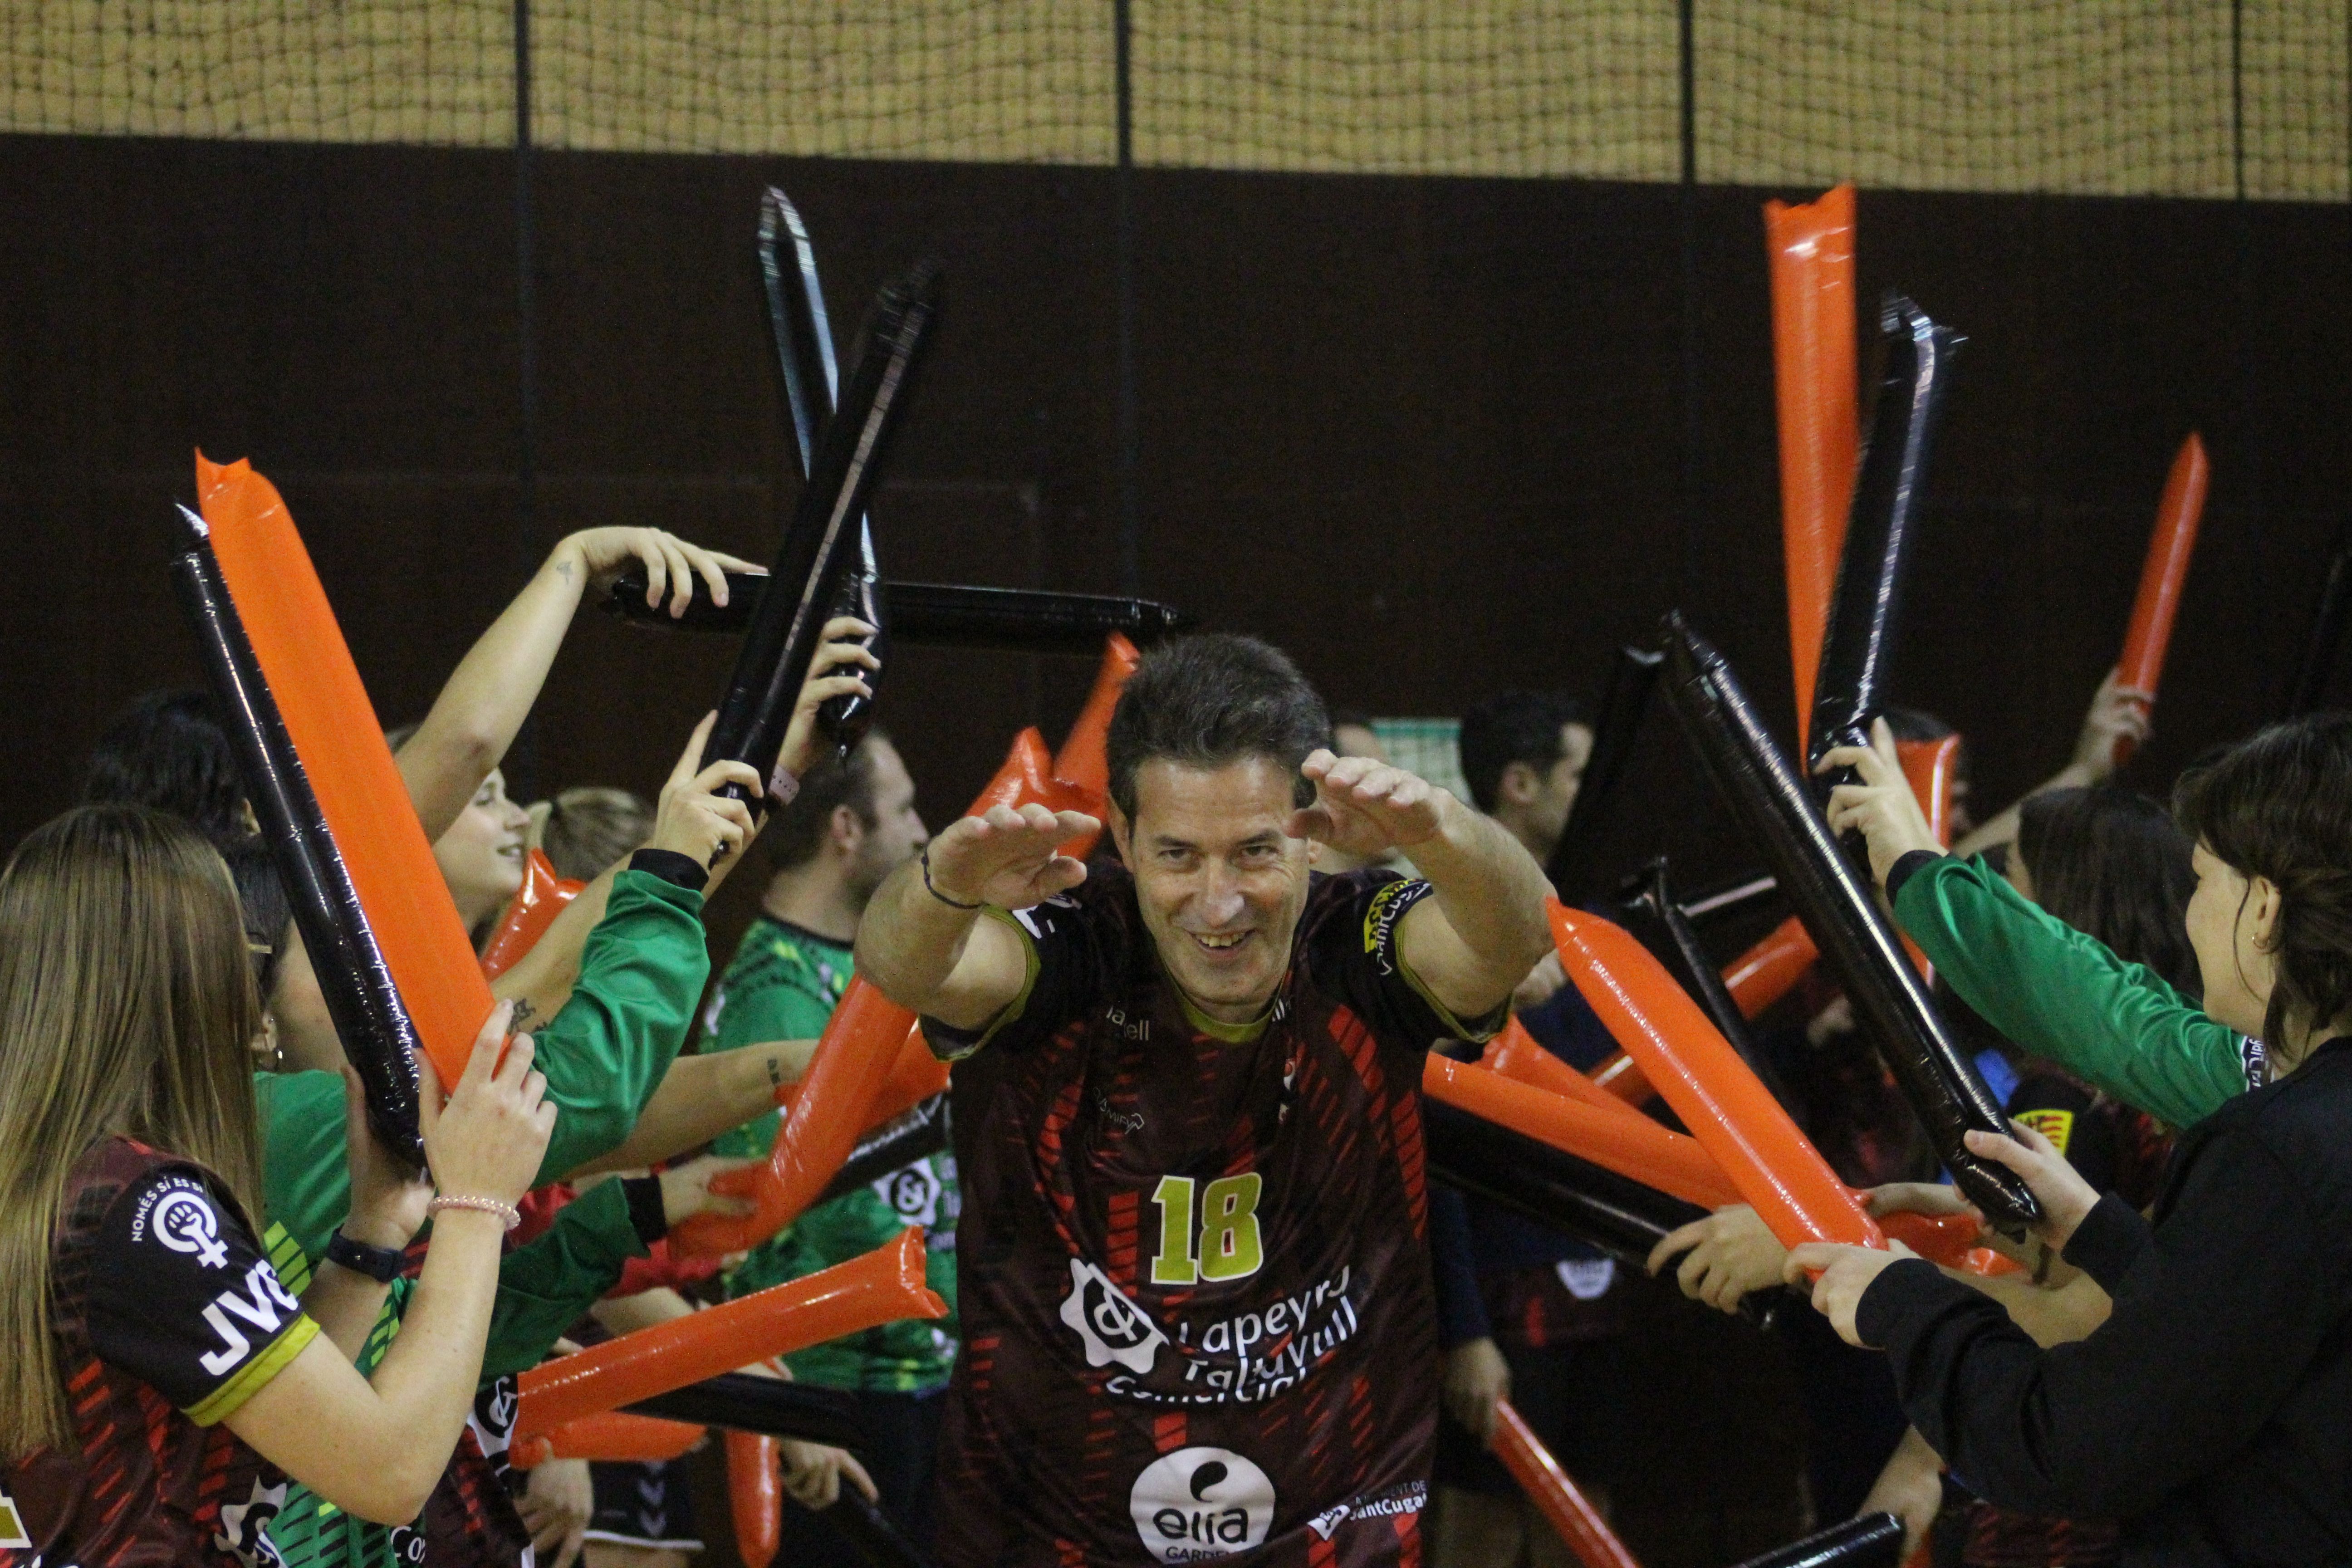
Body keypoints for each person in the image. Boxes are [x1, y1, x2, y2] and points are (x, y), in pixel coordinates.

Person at [854, 633, 1554, 1567]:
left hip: (1330, 1526)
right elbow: (906, 967)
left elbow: (1513, 939)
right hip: (1054, 1526)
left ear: (1313, 834)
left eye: (1255, 852)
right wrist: (942, 885)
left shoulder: (1357, 943)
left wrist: (1439, 834)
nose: (1218, 904)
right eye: (1179, 855)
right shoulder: (1078, 941)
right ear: (1123, 832)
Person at [1781, 715, 2352, 1563]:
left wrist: (1906, 1299)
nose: (2191, 920)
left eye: (2200, 881)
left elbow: (2078, 1444)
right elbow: (2257, 1322)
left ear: (2265, 908)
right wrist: (2103, 1234)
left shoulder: (2276, 1139)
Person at [0, 805, 551, 1566]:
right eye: (237, 951)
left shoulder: (63, 1185)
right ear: (182, 982)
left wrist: (371, 1237)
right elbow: (389, 1470)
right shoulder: (142, 1208)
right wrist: (477, 1206)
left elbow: (273, 1428)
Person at [699, 726, 945, 1558]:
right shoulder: (775, 991)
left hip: (913, 1376)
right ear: (846, 829)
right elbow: (748, 1222)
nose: (921, 832)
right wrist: (786, 1411)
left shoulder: (863, 967)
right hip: (836, 1393)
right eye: (904, 809)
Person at [1424, 690, 1638, 1568]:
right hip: (1500, 1294)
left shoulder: (1593, 928)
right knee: (1484, 1518)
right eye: (1579, 774)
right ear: (1519, 784)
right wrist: (1464, 1330)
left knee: (1585, 1520)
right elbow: (1434, 1144)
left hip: (1599, 1279)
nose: (1598, 792)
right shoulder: (1446, 933)